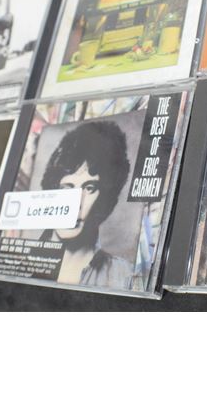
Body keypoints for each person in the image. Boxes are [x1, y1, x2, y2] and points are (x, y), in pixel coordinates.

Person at [40, 120, 133, 289]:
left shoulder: (123, 274)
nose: (75, 203)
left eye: (89, 188)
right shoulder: (21, 259)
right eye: (66, 187)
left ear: (105, 198)